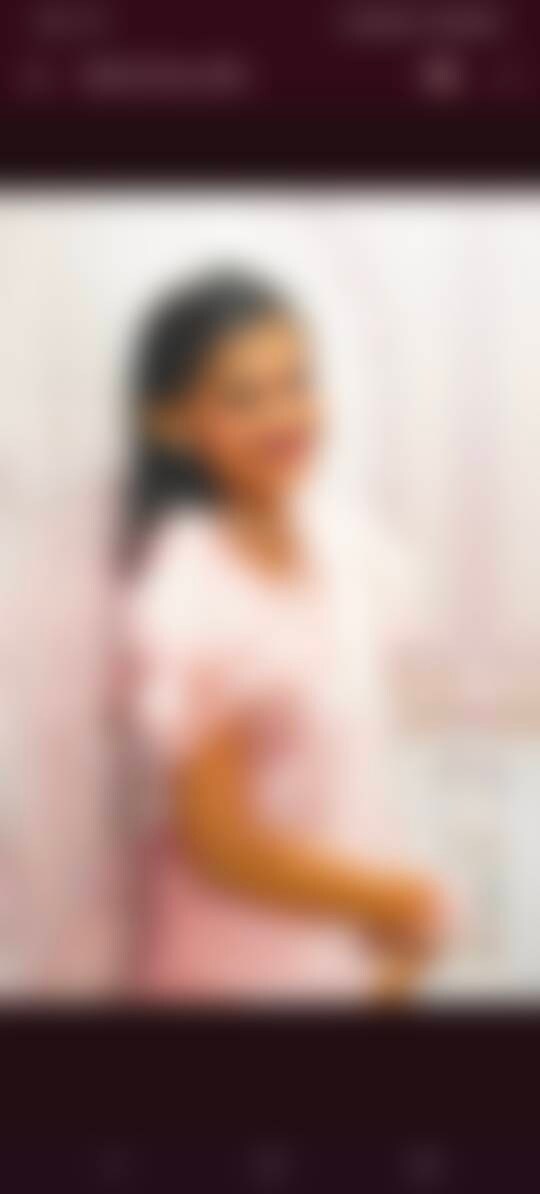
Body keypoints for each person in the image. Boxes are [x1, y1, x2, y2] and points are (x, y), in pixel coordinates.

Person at [120, 269, 453, 1002]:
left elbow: (350, 771)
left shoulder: (338, 542)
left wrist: (389, 931)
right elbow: (222, 844)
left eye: (296, 382)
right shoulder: (187, 592)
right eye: (244, 396)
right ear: (173, 422)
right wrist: (396, 897)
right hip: (236, 973)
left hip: (337, 954)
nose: (283, 414)